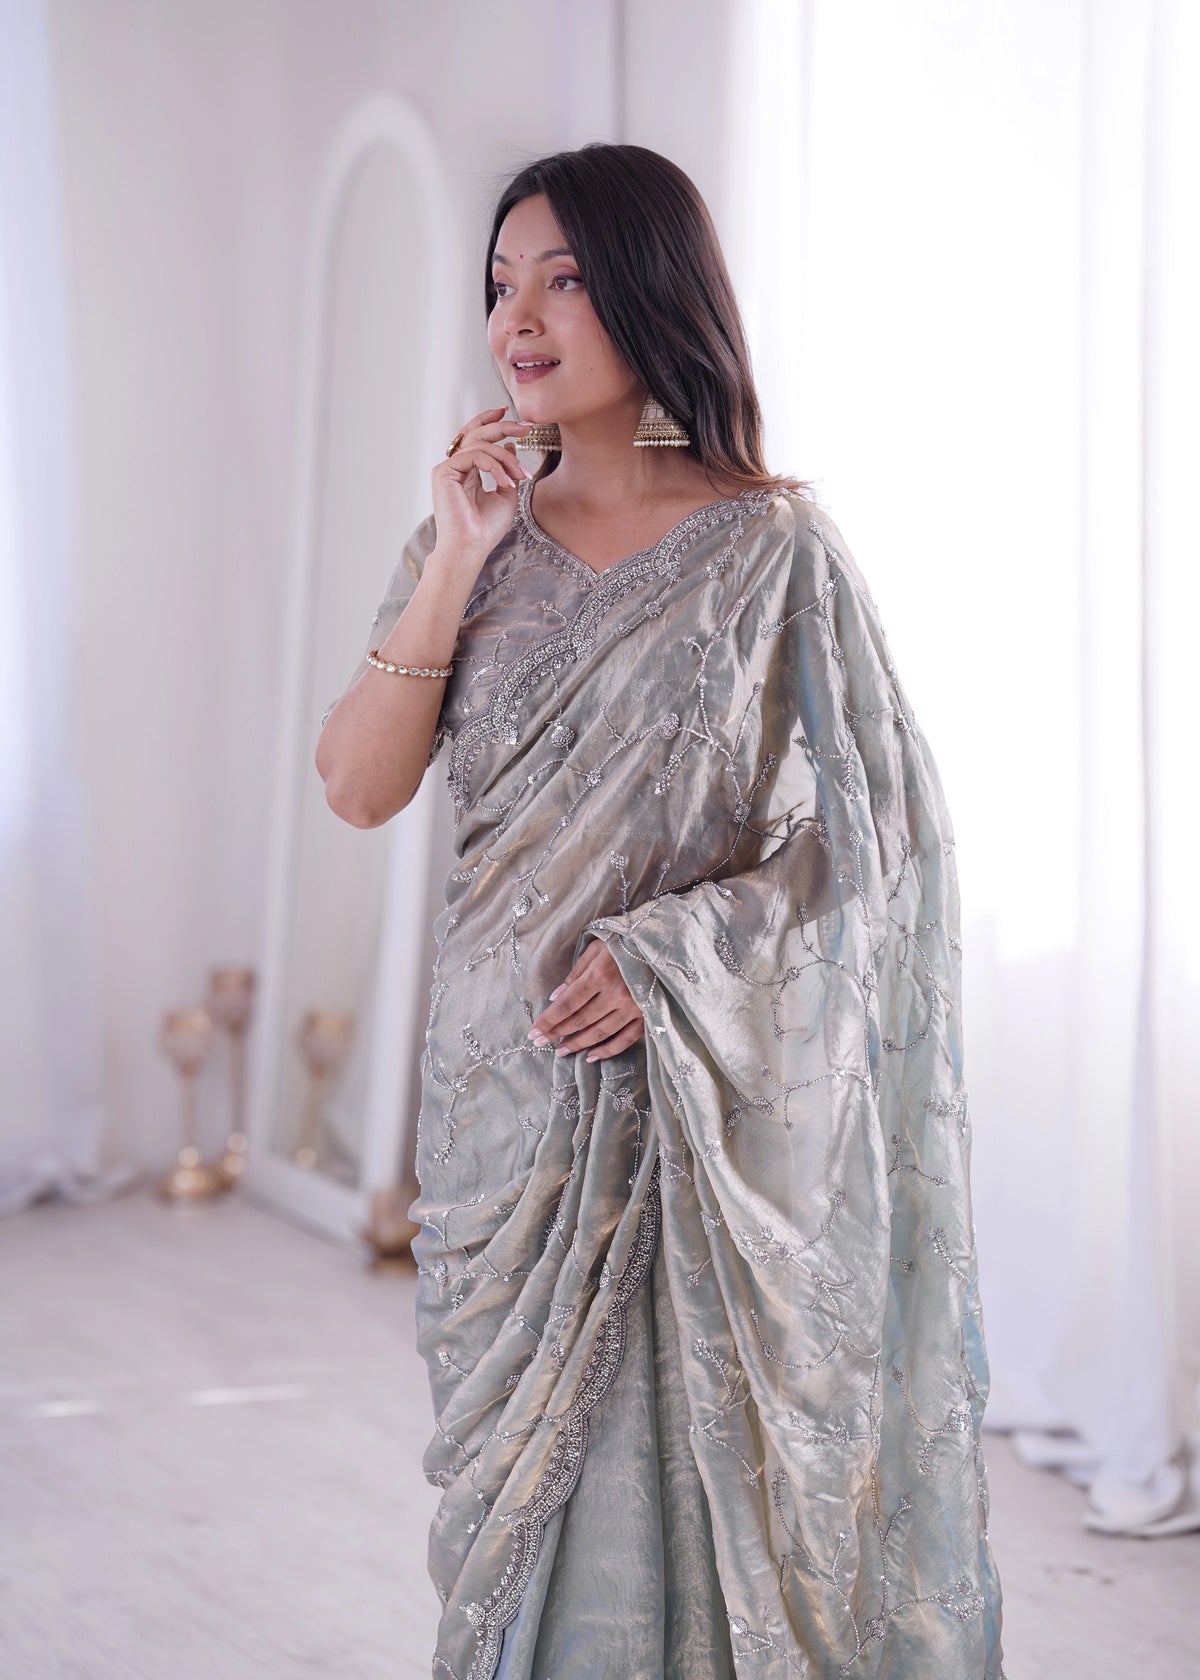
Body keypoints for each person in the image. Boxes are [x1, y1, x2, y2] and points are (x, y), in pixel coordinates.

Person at [316, 142, 1006, 1680]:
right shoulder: (465, 546)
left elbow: (885, 839)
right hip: (502, 1117)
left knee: (693, 1518)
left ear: (650, 287)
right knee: (514, 1529)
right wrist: (455, 564)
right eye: (502, 283)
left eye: (562, 277)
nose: (521, 317)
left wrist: (676, 956)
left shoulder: (772, 548)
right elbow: (358, 789)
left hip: (692, 1114)